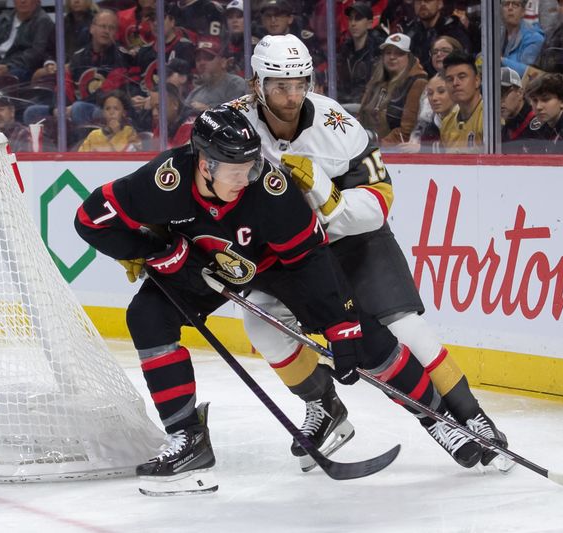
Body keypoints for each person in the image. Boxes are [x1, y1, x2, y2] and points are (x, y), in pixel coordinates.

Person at [224, 34, 510, 471]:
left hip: (351, 239)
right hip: (284, 250)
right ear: (255, 84)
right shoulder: (231, 123)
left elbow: (379, 202)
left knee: (404, 328)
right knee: (262, 324)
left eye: (300, 84)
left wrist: (329, 200)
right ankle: (326, 408)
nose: (291, 96)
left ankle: (473, 417)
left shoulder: (337, 127)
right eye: (280, 86)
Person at [73, 106, 370, 493]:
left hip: (270, 262)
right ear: (204, 164)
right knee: (147, 315)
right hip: (204, 264)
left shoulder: (266, 187)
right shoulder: (164, 181)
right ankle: (188, 439)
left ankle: (356, 405)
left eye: (250, 167)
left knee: (349, 333)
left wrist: (341, 324)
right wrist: (153, 248)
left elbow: (313, 259)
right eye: (235, 170)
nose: (246, 178)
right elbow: (90, 219)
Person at [358, 33, 429, 149]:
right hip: (367, 147)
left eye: (399, 53)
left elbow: (406, 131)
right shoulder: (376, 81)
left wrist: (377, 146)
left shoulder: (418, 82)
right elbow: (361, 117)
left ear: (409, 57)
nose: (392, 57)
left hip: (395, 153)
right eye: (388, 52)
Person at [0, 0, 55, 82]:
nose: (23, 1)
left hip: (21, 67)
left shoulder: (43, 21)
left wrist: (8, 66)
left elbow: (36, 53)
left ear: (37, 1)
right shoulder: (5, 17)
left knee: (6, 77)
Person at [337, 2, 388, 109]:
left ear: (369, 23)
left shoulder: (379, 49)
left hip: (369, 106)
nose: (353, 23)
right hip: (345, 104)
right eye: (350, 19)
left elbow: (380, 84)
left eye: (358, 19)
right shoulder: (345, 49)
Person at [402, 0, 472, 76]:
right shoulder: (411, 33)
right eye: (418, 1)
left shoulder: (453, 30)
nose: (422, 4)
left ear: (440, 4)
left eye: (427, 0)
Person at [185, 37, 248, 114]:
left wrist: (209, 111)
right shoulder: (194, 93)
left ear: (223, 62)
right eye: (198, 59)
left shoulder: (235, 85)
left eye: (208, 58)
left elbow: (239, 116)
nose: (202, 63)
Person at [440, 51, 484, 153]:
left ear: (477, 81)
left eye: (462, 77)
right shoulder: (447, 123)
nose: (455, 83)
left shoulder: (489, 119)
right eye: (450, 79)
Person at [501, 0, 545, 77]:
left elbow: (528, 73)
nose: (510, 8)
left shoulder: (535, 38)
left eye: (515, 4)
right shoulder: (497, 34)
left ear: (523, 12)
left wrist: (500, 61)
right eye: (506, 4)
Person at [499, 66, 537, 153]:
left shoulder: (538, 125)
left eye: (503, 93)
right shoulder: (503, 129)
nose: (499, 100)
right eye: (495, 95)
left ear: (520, 93)